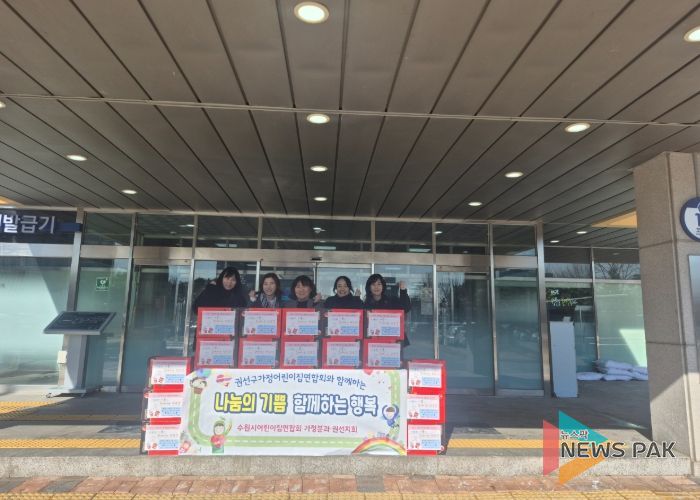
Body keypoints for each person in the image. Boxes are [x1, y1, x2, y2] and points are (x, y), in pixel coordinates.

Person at [364, 273, 411, 345]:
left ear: (383, 286)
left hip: (392, 342)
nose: (376, 287)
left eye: (379, 284)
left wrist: (403, 291)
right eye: (373, 284)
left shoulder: (392, 300)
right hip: (373, 343)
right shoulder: (365, 305)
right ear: (369, 287)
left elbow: (406, 308)